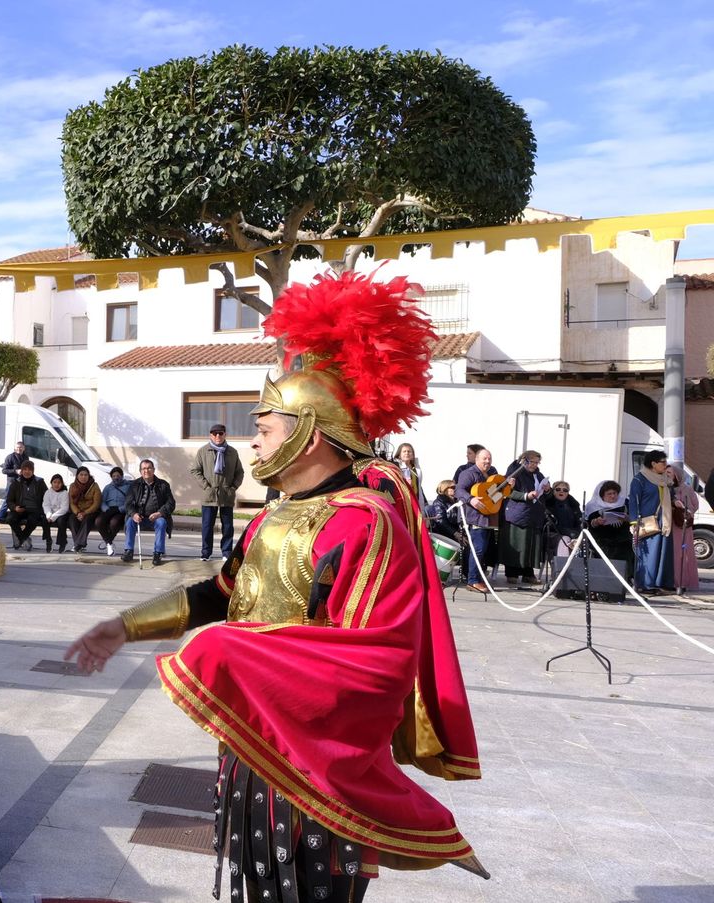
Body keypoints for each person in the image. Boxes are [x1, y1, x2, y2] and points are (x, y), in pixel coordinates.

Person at [65, 271, 484, 902]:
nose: (250, 440)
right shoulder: (271, 513)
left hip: (318, 759)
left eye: (263, 427)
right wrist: (123, 625)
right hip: (255, 738)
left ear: (310, 433)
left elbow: (369, 662)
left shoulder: (363, 521)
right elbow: (219, 593)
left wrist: (231, 652)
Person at [189, 424, 244, 561]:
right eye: (214, 434)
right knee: (207, 525)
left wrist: (233, 488)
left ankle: (226, 552)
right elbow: (195, 470)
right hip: (209, 494)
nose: (217, 436)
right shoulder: (203, 451)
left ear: (225, 434)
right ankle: (206, 553)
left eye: (220, 433)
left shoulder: (232, 452)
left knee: (228, 526)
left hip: (226, 493)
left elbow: (239, 472)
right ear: (210, 435)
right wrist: (206, 486)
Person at [499, 451, 549, 586]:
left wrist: (547, 488)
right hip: (517, 514)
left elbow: (543, 493)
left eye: (537, 462)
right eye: (532, 461)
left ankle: (528, 573)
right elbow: (507, 492)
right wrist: (526, 496)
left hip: (533, 515)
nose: (534, 465)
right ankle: (512, 573)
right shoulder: (515, 473)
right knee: (516, 545)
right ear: (523, 460)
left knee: (530, 546)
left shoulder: (538, 475)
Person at [630, 450, 677, 594]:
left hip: (665, 521)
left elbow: (671, 497)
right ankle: (646, 584)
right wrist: (634, 522)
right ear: (653, 464)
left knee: (663, 553)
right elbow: (633, 501)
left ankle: (662, 583)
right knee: (650, 554)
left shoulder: (664, 479)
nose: (665, 465)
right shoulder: (640, 479)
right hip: (648, 522)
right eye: (663, 462)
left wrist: (677, 502)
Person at [454, 447, 499, 593]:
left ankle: (477, 578)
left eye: (489, 458)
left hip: (488, 516)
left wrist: (507, 488)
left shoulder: (491, 474)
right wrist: (471, 499)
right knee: (477, 549)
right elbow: (458, 490)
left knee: (482, 549)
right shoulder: (468, 473)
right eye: (484, 458)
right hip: (474, 517)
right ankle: (472, 581)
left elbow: (494, 495)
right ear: (477, 459)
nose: (487, 461)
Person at [122, 458, 174, 565]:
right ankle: (128, 551)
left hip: (156, 518)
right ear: (141, 471)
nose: (146, 471)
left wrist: (159, 513)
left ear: (153, 470)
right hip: (139, 518)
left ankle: (157, 553)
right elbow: (128, 503)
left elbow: (171, 503)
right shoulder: (134, 485)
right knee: (130, 522)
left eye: (149, 468)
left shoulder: (163, 485)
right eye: (144, 469)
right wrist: (134, 514)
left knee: (162, 522)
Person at [584, 480, 635, 570]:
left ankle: (627, 577)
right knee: (607, 550)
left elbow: (633, 519)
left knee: (627, 548)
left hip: (623, 538)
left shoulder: (625, 503)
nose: (613, 496)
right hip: (602, 538)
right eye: (609, 494)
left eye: (614, 493)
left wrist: (626, 518)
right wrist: (597, 521)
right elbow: (589, 524)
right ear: (602, 495)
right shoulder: (593, 506)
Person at [4, 461, 49, 551]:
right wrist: (14, 508)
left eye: (29, 469)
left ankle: (21, 540)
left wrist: (44, 510)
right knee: (10, 519)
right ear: (22, 470)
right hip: (20, 508)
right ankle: (24, 539)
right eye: (25, 469)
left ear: (33, 471)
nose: (27, 471)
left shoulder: (40, 482)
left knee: (33, 521)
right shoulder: (16, 483)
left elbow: (47, 497)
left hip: (35, 509)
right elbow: (9, 500)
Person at [670, 467, 701, 594]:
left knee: (682, 554)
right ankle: (670, 581)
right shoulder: (665, 488)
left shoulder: (686, 489)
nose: (667, 475)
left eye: (670, 473)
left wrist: (685, 509)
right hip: (669, 525)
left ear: (677, 475)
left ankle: (681, 581)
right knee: (671, 554)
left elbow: (695, 505)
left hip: (682, 526)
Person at [95, 466, 129, 554]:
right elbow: (102, 501)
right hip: (109, 509)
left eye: (118, 475)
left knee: (114, 523)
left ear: (122, 476)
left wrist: (120, 509)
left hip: (120, 510)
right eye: (113, 476)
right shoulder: (108, 487)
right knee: (98, 521)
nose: (116, 478)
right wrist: (106, 509)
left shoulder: (128, 486)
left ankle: (107, 542)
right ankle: (109, 542)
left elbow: (130, 502)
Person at [67, 466, 101, 553]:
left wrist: (84, 513)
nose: (83, 477)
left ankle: (77, 544)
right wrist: (78, 513)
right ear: (77, 476)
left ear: (89, 476)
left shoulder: (94, 486)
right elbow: (72, 503)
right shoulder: (73, 486)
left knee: (87, 520)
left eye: (86, 475)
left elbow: (96, 503)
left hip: (91, 511)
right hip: (77, 512)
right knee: (71, 520)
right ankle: (79, 544)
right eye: (81, 475)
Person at [544, 481, 583, 557]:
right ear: (553, 491)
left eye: (565, 490)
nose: (561, 491)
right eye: (558, 489)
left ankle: (579, 568)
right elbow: (549, 524)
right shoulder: (548, 504)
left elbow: (579, 522)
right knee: (565, 540)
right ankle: (563, 567)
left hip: (573, 534)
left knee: (582, 541)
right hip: (552, 534)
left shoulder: (573, 505)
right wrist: (569, 533)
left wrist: (577, 535)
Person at [0, 440, 30, 523]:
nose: (19, 449)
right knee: (7, 500)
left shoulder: (26, 457)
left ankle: (19, 518)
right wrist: (16, 471)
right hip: (11, 483)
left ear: (24, 448)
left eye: (21, 447)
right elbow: (4, 470)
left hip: (22, 482)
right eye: (17, 447)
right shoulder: (10, 457)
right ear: (15, 448)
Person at [393, 442, 428, 509]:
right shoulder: (396, 466)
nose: (407, 453)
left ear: (413, 454)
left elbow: (418, 486)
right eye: (404, 451)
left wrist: (425, 502)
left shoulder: (415, 467)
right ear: (399, 454)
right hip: (403, 500)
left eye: (409, 451)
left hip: (416, 499)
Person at [42, 473, 71, 552]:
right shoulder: (48, 492)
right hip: (50, 513)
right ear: (51, 483)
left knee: (61, 521)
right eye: (54, 482)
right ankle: (48, 540)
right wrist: (48, 515)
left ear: (62, 483)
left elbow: (64, 508)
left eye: (59, 482)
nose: (56, 484)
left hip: (61, 514)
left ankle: (62, 542)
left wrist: (53, 517)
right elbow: (46, 505)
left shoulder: (64, 493)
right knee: (44, 520)